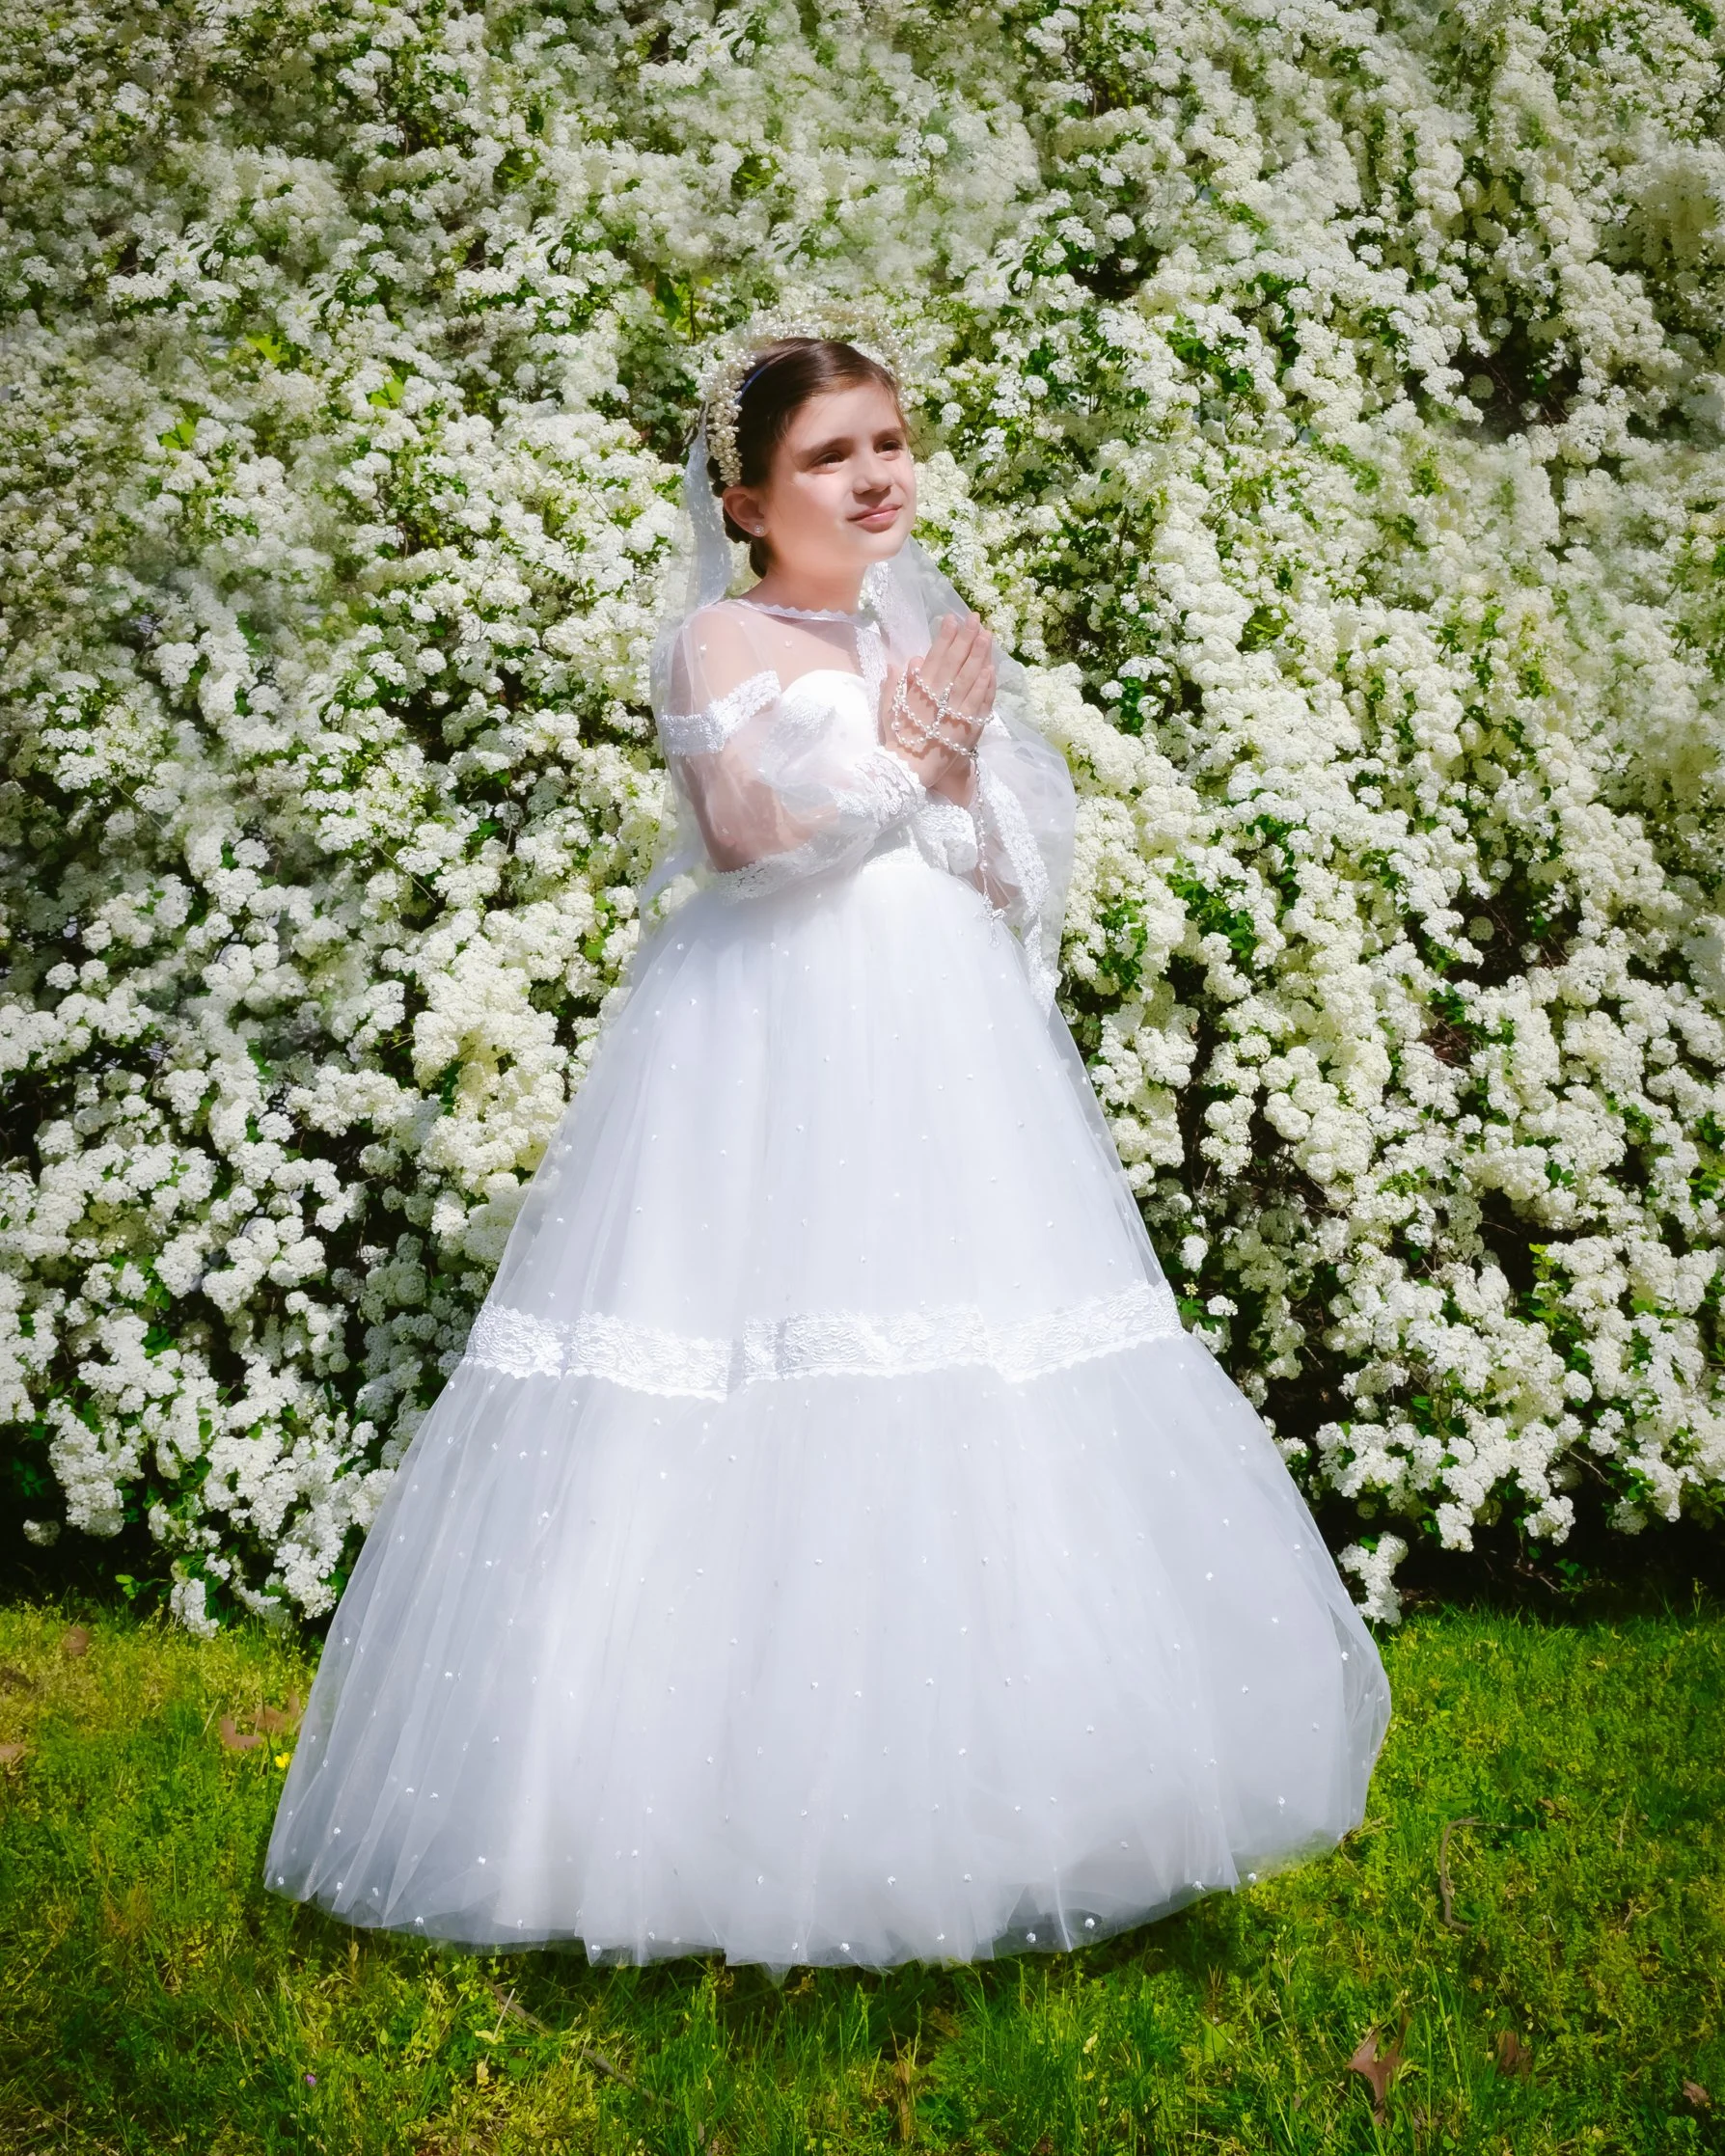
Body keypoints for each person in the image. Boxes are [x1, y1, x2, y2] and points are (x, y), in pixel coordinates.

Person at [263, 327, 1392, 1973]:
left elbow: (1002, 868)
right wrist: (915, 747)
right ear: (745, 496)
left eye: (890, 443)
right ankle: (680, 1810)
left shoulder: (913, 629)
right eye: (829, 456)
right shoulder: (720, 637)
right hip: (768, 1040)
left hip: (934, 1043)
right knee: (753, 1352)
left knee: (963, 1350)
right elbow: (746, 834)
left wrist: (968, 772)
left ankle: (1013, 1790)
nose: (875, 477)